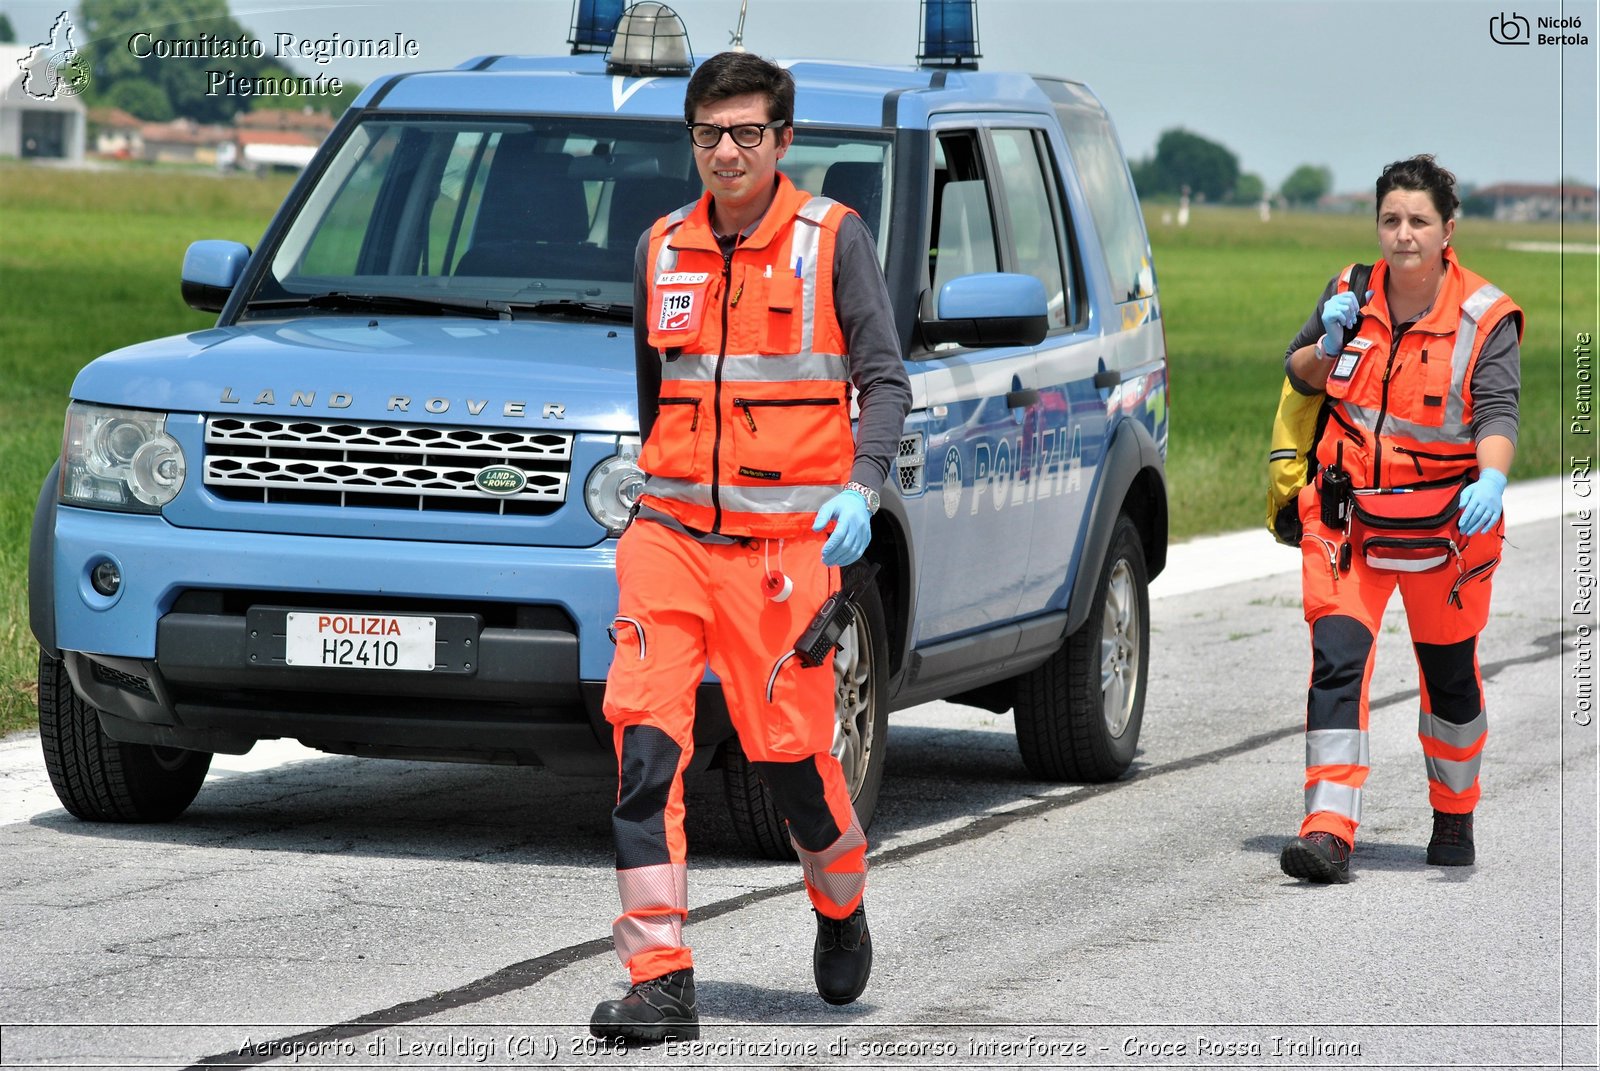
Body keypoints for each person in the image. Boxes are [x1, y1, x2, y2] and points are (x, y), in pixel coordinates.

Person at [589, 51, 911, 1040]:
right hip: (670, 540)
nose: (725, 152)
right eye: (707, 134)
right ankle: (660, 977)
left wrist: (863, 487)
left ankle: (840, 898)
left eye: (746, 133)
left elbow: (885, 381)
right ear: (689, 141)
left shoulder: (831, 241)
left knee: (793, 766)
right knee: (645, 748)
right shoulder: (659, 248)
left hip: (782, 557)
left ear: (782, 140)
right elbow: (658, 398)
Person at [1278, 155, 1523, 884]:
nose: (1403, 234)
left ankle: (1454, 812)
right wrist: (1326, 344)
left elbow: (1498, 412)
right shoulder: (1348, 290)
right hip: (1348, 523)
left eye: (1418, 221)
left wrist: (1494, 476)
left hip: (1447, 528)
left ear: (1448, 230)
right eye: (1391, 219)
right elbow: (1297, 373)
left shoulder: (1486, 316)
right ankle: (1328, 828)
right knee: (1338, 664)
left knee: (1449, 679)